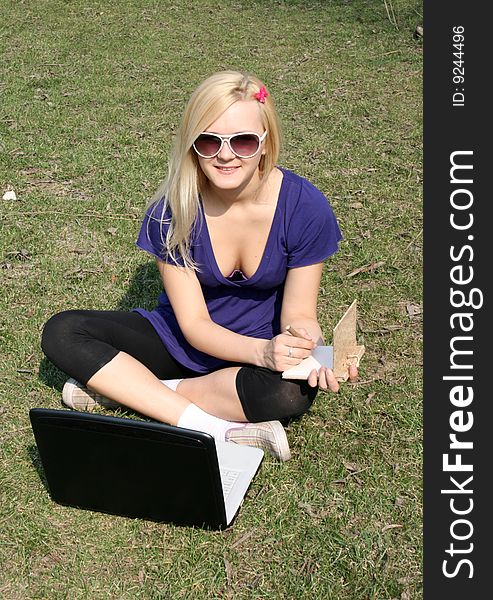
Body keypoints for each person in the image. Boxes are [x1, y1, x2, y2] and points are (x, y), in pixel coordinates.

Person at [41, 70, 356, 462]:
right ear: (193, 144)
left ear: (265, 143)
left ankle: (130, 392)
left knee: (289, 393)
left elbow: (300, 314)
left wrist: (309, 348)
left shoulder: (305, 207)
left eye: (243, 141)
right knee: (63, 331)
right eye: (210, 141)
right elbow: (194, 326)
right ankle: (212, 426)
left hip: (257, 349)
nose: (226, 155)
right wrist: (263, 354)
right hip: (182, 342)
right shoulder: (171, 212)